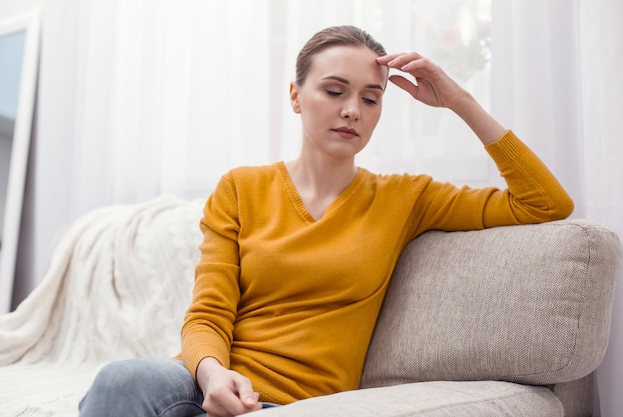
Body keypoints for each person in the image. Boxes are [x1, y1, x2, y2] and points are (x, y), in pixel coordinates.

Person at [79, 25, 573, 417]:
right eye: (334, 91)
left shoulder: (406, 197)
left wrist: (460, 101)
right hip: (202, 383)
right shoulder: (240, 188)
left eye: (371, 98)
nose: (352, 110)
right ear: (295, 96)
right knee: (122, 381)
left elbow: (544, 204)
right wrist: (211, 373)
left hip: (297, 404)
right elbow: (209, 313)